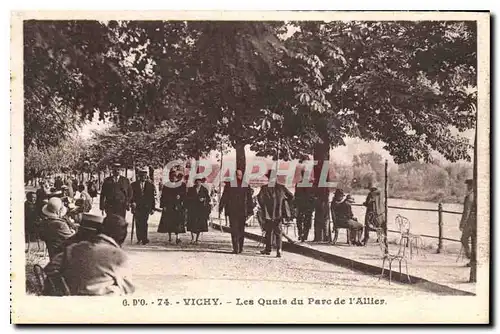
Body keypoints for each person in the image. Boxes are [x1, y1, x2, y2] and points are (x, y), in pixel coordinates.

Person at [43, 214, 135, 296]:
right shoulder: (118, 256)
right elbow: (128, 289)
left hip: (72, 304)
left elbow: (49, 269)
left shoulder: (72, 249)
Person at [257, 170, 294, 258]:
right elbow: (291, 196)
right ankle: (279, 250)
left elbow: (260, 199)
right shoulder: (282, 188)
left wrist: (264, 207)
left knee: (269, 231)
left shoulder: (264, 188)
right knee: (278, 232)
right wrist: (284, 203)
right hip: (279, 214)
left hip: (268, 214)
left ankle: (268, 249)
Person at [219, 169, 254, 254]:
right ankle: (236, 248)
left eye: (240, 175)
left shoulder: (245, 185)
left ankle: (239, 248)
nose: (239, 177)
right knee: (235, 230)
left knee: (240, 230)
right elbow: (224, 197)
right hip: (233, 211)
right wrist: (220, 207)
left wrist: (250, 211)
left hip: (241, 211)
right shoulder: (230, 185)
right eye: (237, 175)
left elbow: (249, 199)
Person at [157, 171, 186, 244]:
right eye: (172, 176)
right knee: (169, 221)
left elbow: (185, 194)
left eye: (174, 176)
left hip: (177, 206)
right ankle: (169, 237)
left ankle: (177, 237)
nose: (173, 178)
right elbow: (163, 196)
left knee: (177, 222)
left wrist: (180, 196)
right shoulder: (167, 185)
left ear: (176, 177)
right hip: (169, 205)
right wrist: (163, 206)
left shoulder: (181, 185)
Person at [130, 168, 156, 245]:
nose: (143, 177)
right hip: (137, 207)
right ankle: (139, 238)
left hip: (146, 207)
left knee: (144, 222)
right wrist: (132, 203)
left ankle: (144, 238)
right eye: (141, 176)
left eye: (144, 176)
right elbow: (131, 196)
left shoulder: (150, 185)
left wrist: (153, 208)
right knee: (138, 222)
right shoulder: (133, 185)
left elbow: (152, 198)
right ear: (138, 176)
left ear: (146, 176)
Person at [186, 177, 211, 244]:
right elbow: (187, 198)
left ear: (201, 182)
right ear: (195, 182)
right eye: (197, 182)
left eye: (199, 182)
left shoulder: (204, 190)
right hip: (192, 209)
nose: (198, 183)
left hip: (200, 209)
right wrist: (192, 200)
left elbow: (208, 199)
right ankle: (192, 238)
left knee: (199, 224)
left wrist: (204, 199)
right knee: (192, 223)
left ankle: (197, 239)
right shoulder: (191, 189)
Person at [294, 170, 316, 242]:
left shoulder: (299, 184)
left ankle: (302, 235)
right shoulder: (310, 185)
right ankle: (303, 235)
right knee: (304, 221)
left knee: (301, 220)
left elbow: (296, 196)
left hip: (303, 205)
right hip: (305, 205)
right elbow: (296, 195)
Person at [459, 179, 476, 267]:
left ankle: (471, 258)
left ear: (471, 186)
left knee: (464, 239)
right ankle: (473, 260)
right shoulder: (475, 195)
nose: (467, 187)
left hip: (470, 222)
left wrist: (462, 224)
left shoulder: (469, 196)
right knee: (474, 241)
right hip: (475, 221)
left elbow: (466, 212)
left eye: (468, 185)